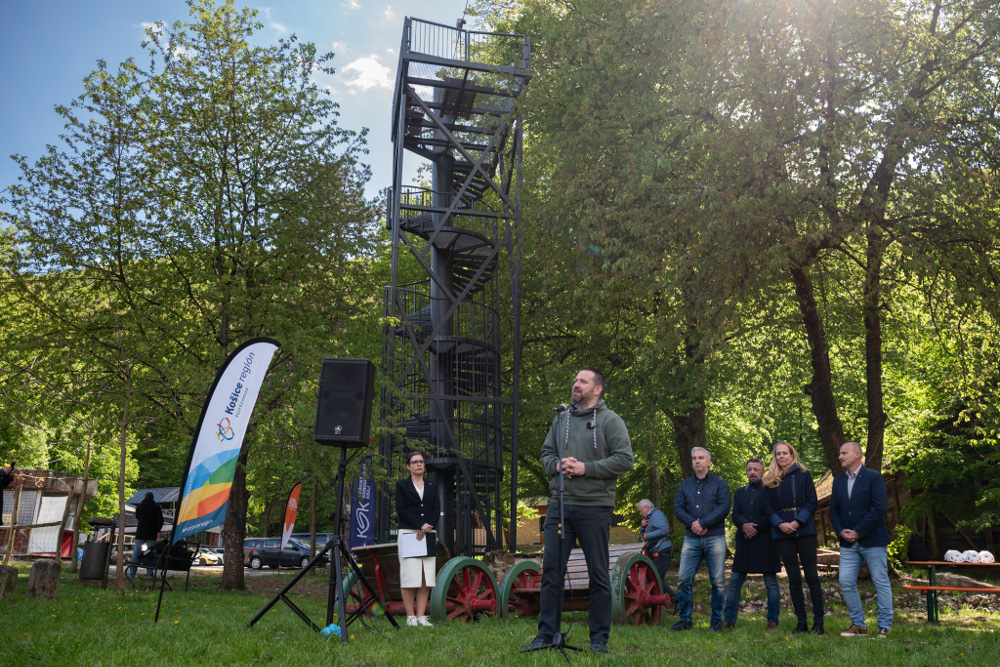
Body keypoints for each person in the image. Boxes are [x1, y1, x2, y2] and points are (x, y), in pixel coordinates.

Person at [524, 368, 634, 654]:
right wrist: (558, 466)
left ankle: (598, 638)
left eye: (582, 381)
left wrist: (586, 469)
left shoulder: (611, 421)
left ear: (597, 389)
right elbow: (546, 454)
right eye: (575, 380)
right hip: (559, 506)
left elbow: (625, 460)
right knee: (551, 573)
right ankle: (546, 634)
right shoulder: (561, 419)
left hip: (594, 508)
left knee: (598, 574)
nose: (576, 384)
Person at [830, 441, 893, 639]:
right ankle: (858, 625)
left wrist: (858, 531)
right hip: (848, 543)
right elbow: (834, 510)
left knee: (880, 581)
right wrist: (841, 531)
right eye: (840, 453)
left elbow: (878, 508)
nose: (840, 456)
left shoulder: (874, 477)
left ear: (857, 454)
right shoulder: (838, 481)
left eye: (843, 453)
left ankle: (884, 626)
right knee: (846, 581)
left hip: (873, 540)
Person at [762, 441, 824, 634]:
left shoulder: (804, 475)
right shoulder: (769, 479)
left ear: (792, 454)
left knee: (812, 577)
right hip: (782, 532)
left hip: (804, 530)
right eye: (778, 454)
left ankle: (819, 623)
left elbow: (811, 502)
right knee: (794, 578)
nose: (781, 456)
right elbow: (767, 506)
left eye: (784, 453)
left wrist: (798, 522)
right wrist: (780, 523)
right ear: (775, 457)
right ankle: (801, 622)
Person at [670, 447, 731, 632]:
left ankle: (715, 621)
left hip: (715, 537)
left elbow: (724, 507)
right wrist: (694, 524)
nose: (697, 461)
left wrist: (703, 523)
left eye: (701, 458)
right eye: (694, 458)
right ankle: (685, 619)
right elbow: (678, 508)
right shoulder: (684, 485)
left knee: (717, 582)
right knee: (683, 579)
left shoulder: (721, 484)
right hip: (691, 538)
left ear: (709, 462)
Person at [722, 458, 781, 631]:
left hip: (766, 541)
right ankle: (729, 620)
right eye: (749, 469)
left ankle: (772, 621)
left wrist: (754, 527)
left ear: (763, 471)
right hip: (744, 543)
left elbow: (772, 513)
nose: (752, 472)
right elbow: (736, 514)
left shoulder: (771, 490)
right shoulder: (740, 492)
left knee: (771, 582)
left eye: (756, 469)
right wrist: (744, 525)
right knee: (734, 582)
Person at [395, 450, 440, 628]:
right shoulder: (402, 485)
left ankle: (421, 616)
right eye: (414, 462)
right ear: (408, 466)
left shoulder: (432, 486)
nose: (419, 464)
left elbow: (436, 508)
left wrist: (427, 525)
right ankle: (410, 616)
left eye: (421, 461)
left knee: (425, 576)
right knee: (409, 575)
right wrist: (419, 524)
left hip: (428, 534)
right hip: (408, 533)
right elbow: (401, 509)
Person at [637, 499, 676, 605]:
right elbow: (642, 535)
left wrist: (647, 536)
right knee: (655, 579)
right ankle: (661, 602)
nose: (640, 513)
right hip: (656, 552)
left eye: (641, 511)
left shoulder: (657, 515)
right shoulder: (648, 518)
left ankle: (675, 599)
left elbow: (664, 530)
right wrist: (642, 526)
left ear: (646, 507)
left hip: (662, 551)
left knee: (655, 578)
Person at [129, 491, 164, 579]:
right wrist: (157, 530)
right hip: (151, 534)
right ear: (153, 498)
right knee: (150, 554)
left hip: (140, 532)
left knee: (136, 552)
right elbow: (160, 520)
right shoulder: (156, 507)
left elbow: (137, 516)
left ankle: (132, 573)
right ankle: (149, 574)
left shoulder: (139, 506)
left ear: (145, 497)